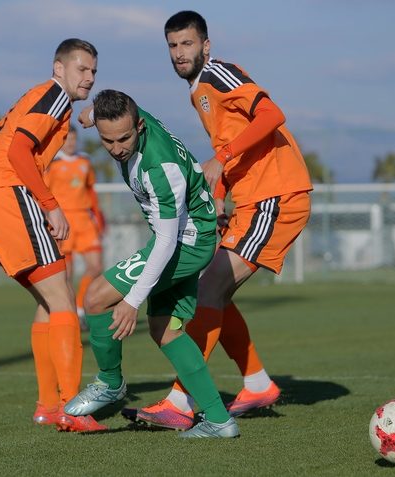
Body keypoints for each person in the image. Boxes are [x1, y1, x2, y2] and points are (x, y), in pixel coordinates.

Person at [123, 11, 313, 430]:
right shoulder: (199, 91)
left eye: (187, 44)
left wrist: (222, 159)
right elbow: (229, 146)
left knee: (209, 286)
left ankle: (180, 401)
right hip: (252, 199)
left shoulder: (217, 74)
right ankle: (257, 383)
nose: (179, 53)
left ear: (205, 46)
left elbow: (271, 115)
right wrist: (221, 196)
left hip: (274, 196)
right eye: (172, 46)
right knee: (214, 287)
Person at [63, 89, 240, 438]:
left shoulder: (160, 169)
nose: (116, 148)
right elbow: (101, 111)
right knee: (166, 330)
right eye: (107, 140)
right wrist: (88, 115)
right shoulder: (122, 117)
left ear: (139, 125)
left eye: (124, 138)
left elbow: (165, 241)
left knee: (97, 298)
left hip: (185, 242)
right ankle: (220, 421)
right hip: (187, 237)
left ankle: (111, 383)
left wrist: (131, 301)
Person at [0, 38, 106, 432]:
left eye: (93, 71)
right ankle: (73, 409)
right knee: (63, 298)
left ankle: (46, 405)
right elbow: (19, 151)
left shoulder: (41, 96)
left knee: (47, 297)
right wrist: (50, 204)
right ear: (59, 68)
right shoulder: (55, 95)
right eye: (81, 69)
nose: (89, 77)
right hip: (7, 195)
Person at [45, 126, 105, 328]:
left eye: (73, 140)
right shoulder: (53, 164)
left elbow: (91, 191)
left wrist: (99, 218)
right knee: (66, 274)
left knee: (96, 267)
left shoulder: (85, 161)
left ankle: (80, 308)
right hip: (64, 222)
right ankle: (69, 314)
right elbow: (43, 195)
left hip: (85, 221)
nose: (70, 143)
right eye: (67, 140)